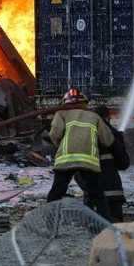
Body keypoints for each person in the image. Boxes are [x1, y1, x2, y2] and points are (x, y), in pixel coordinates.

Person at [47, 88, 114, 221]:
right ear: (85, 102)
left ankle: (49, 222)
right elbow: (108, 140)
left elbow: (55, 134)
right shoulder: (94, 117)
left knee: (56, 193)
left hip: (66, 159)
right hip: (88, 161)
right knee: (97, 195)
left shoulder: (61, 114)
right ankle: (106, 224)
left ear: (65, 102)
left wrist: (60, 145)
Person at [77, 105, 130, 222]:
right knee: (115, 232)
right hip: (113, 194)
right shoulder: (113, 134)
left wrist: (86, 187)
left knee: (95, 233)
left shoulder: (82, 136)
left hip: (92, 196)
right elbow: (124, 163)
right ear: (107, 118)